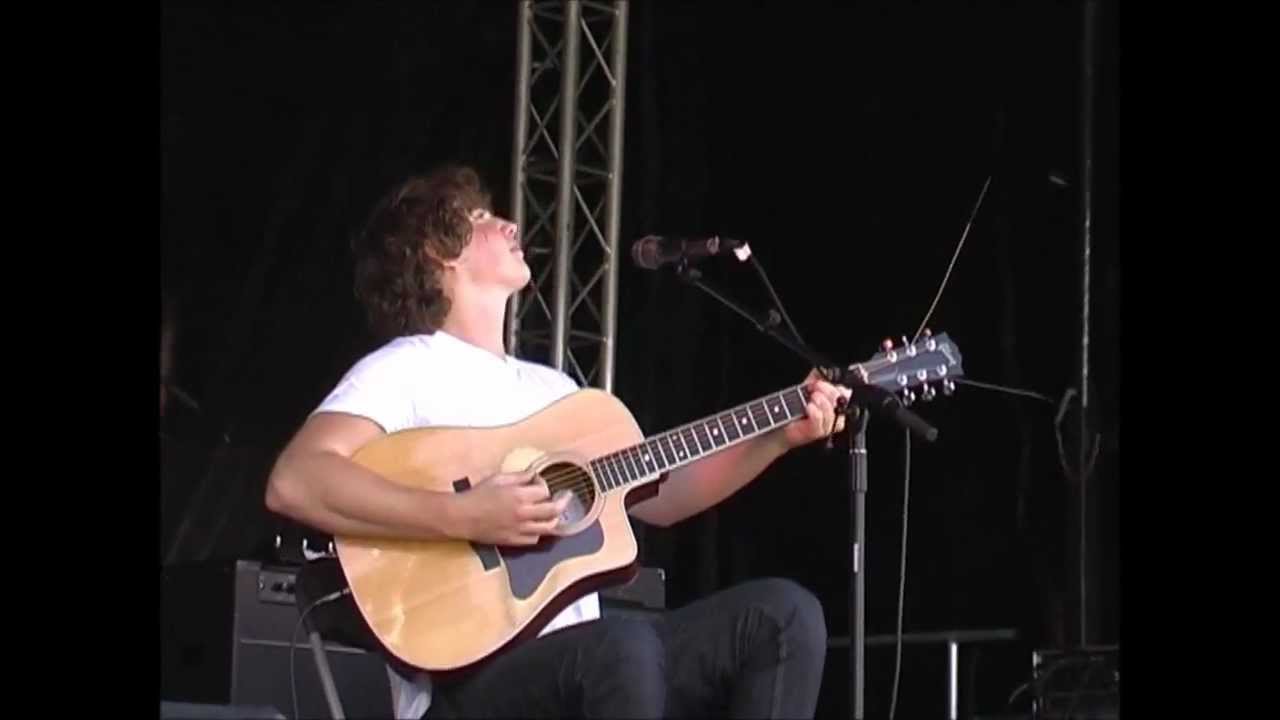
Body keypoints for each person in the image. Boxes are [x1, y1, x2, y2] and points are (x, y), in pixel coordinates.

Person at [265, 164, 851, 719]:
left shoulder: (557, 390)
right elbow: (297, 480)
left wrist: (777, 437)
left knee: (784, 615)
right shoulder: (405, 368)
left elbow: (664, 497)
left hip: (592, 662)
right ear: (437, 254)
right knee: (623, 645)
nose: (509, 224)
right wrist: (462, 514)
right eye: (479, 220)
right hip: (468, 685)